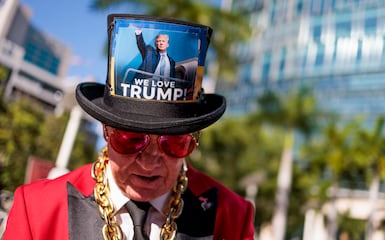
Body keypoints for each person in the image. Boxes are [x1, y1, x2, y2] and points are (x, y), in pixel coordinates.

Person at [3, 14, 254, 240]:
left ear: (193, 140)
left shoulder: (231, 217)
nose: (149, 163)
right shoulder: (37, 209)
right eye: (131, 140)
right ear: (106, 131)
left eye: (174, 144)